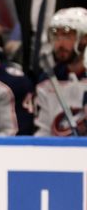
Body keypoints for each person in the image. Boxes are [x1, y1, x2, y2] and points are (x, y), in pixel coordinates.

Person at [34, 7, 87, 136]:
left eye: (67, 36)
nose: (60, 43)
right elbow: (43, 132)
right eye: (56, 36)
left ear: (85, 38)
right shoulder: (47, 80)